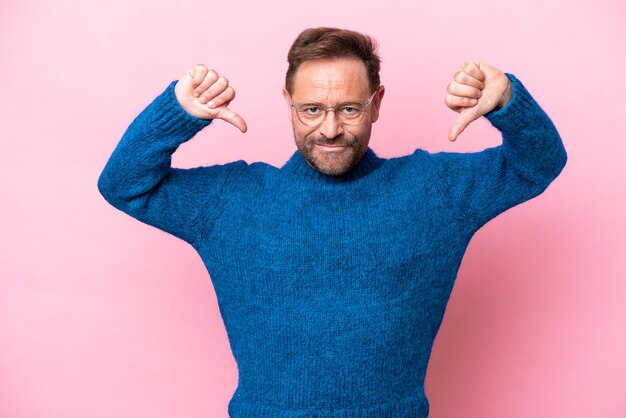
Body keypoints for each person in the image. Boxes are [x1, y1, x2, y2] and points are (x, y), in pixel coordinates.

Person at [98, 27, 567, 417]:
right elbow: (124, 184)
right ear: (288, 102)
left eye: (349, 108)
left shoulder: (433, 191)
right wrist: (176, 115)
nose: (329, 129)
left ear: (376, 104)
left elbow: (538, 164)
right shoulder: (231, 202)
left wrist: (508, 102)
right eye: (311, 109)